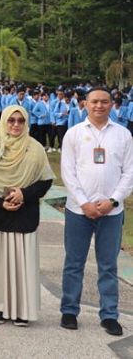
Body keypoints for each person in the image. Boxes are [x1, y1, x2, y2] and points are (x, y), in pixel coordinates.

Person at [60, 87, 133, 336]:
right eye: (94, 102)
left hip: (111, 213)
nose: (99, 106)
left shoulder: (123, 135)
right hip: (78, 211)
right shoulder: (74, 134)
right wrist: (84, 203)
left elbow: (129, 173)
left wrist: (113, 200)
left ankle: (110, 314)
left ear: (112, 104)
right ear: (85, 104)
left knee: (108, 265)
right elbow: (68, 173)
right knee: (73, 263)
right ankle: (69, 310)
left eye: (104, 101)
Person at [0, 105, 54, 327]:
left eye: (21, 120)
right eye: (11, 120)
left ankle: (22, 310)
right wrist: (0, 202)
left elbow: (45, 180)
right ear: (4, 121)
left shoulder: (35, 149)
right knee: (1, 262)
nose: (16, 125)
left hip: (26, 212)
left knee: (24, 263)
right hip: (2, 214)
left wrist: (24, 194)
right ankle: (1, 307)